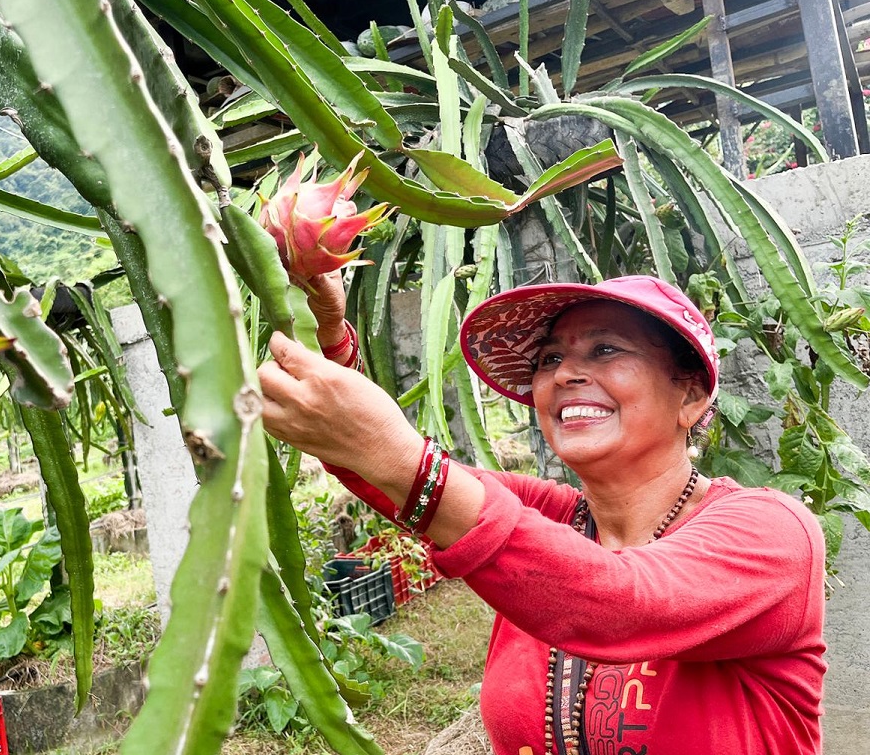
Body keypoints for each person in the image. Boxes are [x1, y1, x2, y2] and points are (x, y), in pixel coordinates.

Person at [259, 272, 825, 755]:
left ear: (691, 397)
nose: (563, 375)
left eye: (605, 350)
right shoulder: (551, 517)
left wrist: (400, 460)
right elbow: (383, 470)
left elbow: (624, 602)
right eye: (551, 358)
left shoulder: (771, 530)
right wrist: (326, 329)